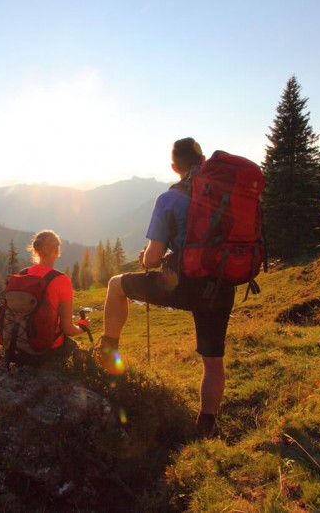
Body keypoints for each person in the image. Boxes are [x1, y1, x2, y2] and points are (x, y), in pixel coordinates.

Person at [95, 138, 235, 439]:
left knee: (116, 285)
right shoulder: (227, 192)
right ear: (203, 158)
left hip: (183, 285)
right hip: (222, 283)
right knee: (213, 360)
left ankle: (108, 352)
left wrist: (145, 258)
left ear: (174, 167)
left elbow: (154, 257)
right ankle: (207, 425)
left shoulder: (169, 199)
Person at [22, 229, 91, 361]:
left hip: (20, 344)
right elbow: (68, 329)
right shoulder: (61, 280)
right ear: (57, 250)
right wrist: (83, 326)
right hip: (48, 348)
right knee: (82, 356)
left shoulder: (22, 274)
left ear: (35, 250)